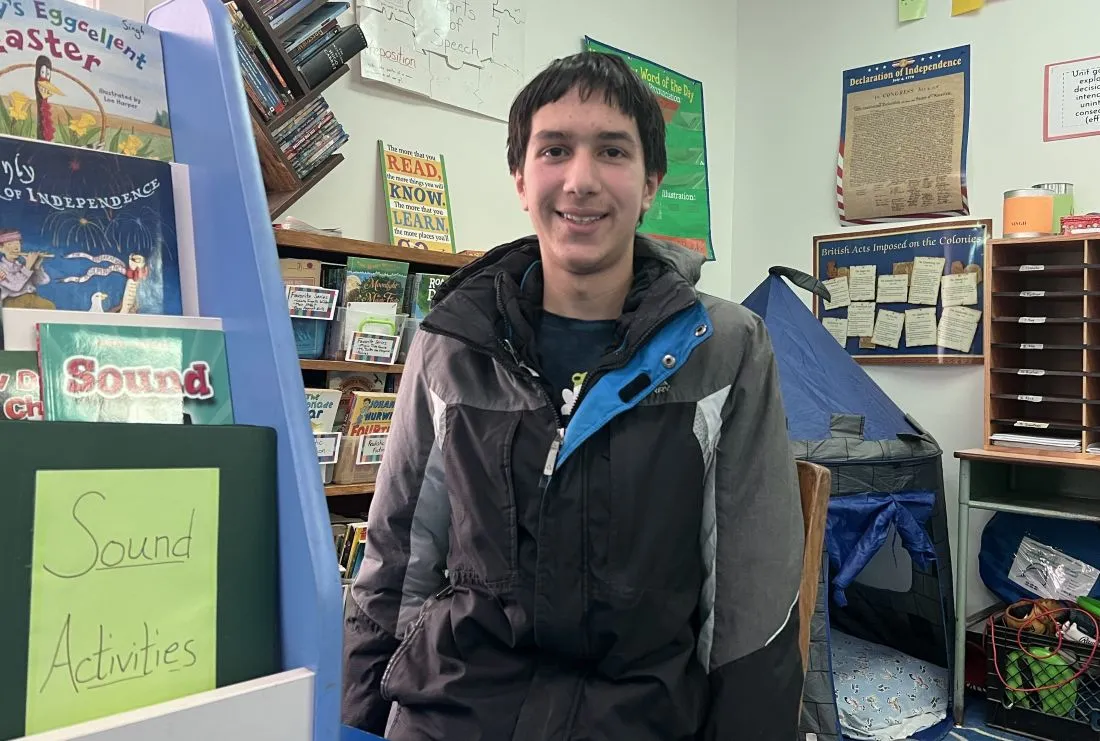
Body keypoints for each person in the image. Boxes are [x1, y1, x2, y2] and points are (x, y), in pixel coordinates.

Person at [342, 51, 805, 740]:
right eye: (554, 149)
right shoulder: (452, 341)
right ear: (521, 179)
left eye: (612, 151)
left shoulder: (727, 349)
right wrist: (356, 722)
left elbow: (751, 596)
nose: (581, 180)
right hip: (455, 712)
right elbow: (396, 557)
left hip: (638, 718)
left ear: (649, 183)